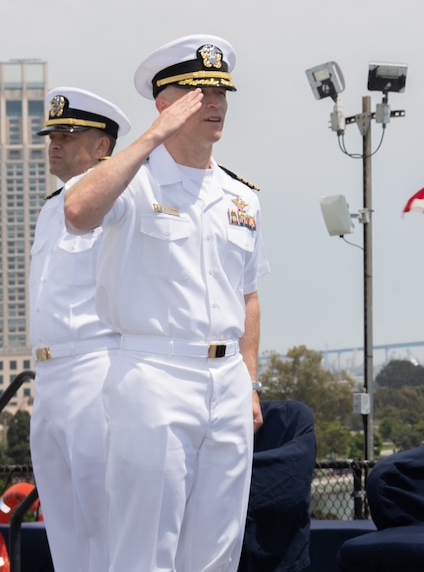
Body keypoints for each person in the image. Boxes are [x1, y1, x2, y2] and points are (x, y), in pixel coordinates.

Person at [64, 35, 270, 572]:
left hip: (226, 383)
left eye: (222, 90)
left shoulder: (242, 196)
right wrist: (153, 139)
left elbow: (248, 294)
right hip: (153, 374)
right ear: (164, 103)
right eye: (199, 92)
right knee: (144, 549)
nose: (217, 102)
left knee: (218, 551)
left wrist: (248, 380)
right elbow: (80, 211)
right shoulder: (132, 181)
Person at [29, 87, 130, 571]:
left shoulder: (114, 202)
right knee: (63, 524)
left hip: (95, 367)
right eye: (53, 135)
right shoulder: (52, 207)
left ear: (102, 148)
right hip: (48, 376)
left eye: (69, 135)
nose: (56, 143)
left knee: (105, 516)